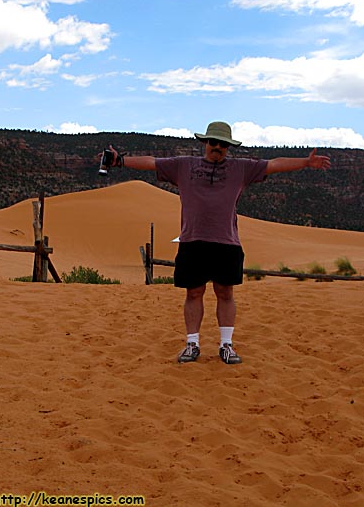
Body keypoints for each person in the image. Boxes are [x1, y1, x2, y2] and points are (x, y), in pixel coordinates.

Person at [106, 121, 331, 364]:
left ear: (228, 147)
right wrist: (120, 160)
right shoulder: (184, 165)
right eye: (213, 142)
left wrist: (306, 162)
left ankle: (226, 345)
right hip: (192, 240)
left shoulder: (241, 168)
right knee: (194, 293)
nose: (218, 147)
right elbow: (152, 162)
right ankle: (192, 344)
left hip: (226, 242)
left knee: (225, 292)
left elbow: (274, 164)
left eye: (223, 144)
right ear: (205, 143)